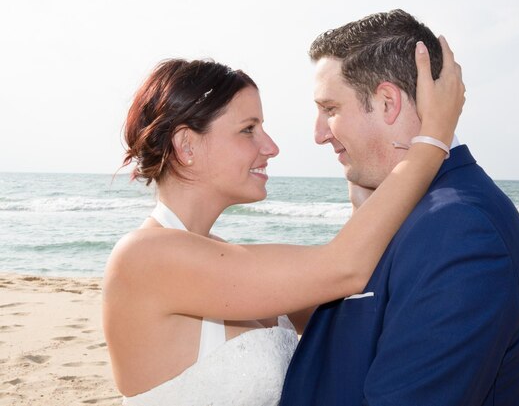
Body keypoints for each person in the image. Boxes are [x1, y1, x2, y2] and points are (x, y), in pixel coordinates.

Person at [103, 37, 465, 406]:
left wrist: (361, 208)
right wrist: (432, 138)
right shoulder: (144, 257)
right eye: (248, 129)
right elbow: (344, 268)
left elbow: (341, 330)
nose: (271, 146)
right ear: (187, 146)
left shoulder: (225, 258)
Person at [280, 9, 519, 406]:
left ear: (388, 102)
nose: (318, 135)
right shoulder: (411, 211)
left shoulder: (460, 229)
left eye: (330, 109)